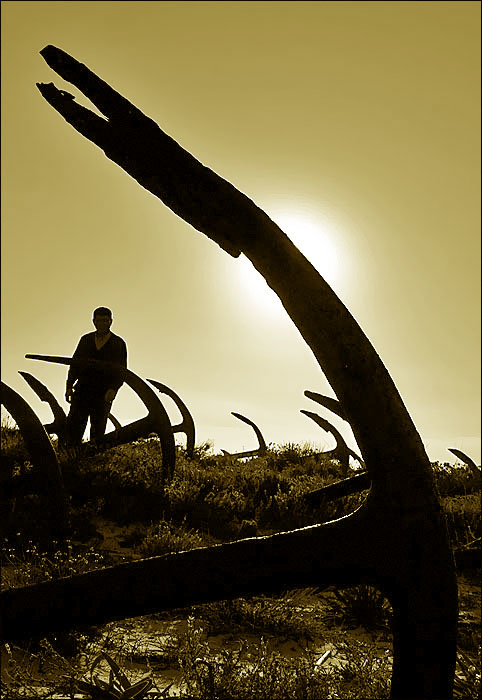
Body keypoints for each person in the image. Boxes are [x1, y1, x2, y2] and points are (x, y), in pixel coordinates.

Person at [64, 307, 128, 446]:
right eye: (99, 320)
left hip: (103, 394)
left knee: (98, 432)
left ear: (111, 321)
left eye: (105, 321)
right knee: (74, 428)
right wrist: (69, 386)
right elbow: (75, 365)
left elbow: (122, 371)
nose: (102, 324)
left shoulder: (118, 344)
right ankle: (69, 457)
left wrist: (113, 389)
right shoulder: (85, 340)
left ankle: (92, 460)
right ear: (94, 321)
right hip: (82, 391)